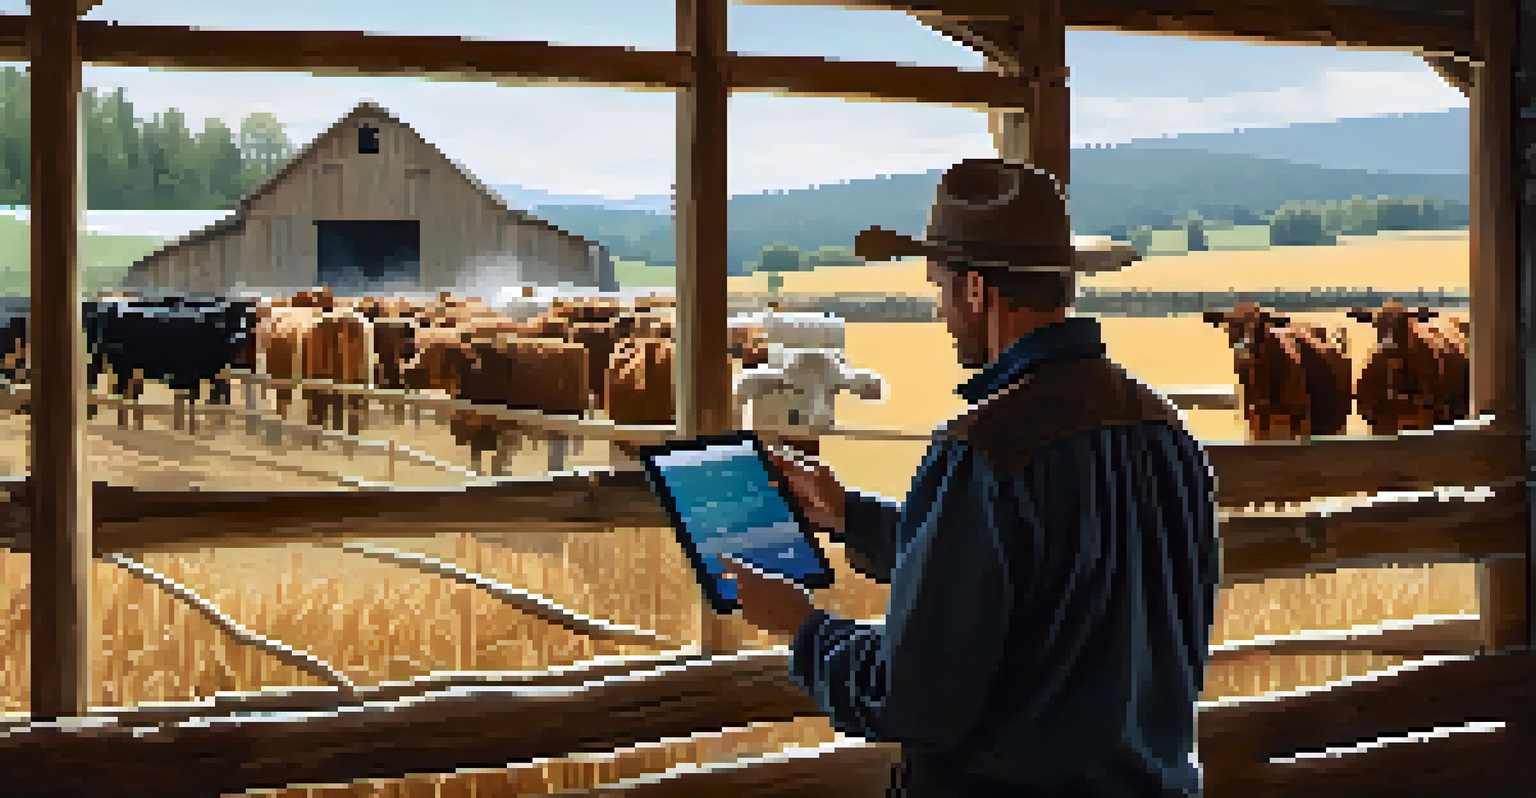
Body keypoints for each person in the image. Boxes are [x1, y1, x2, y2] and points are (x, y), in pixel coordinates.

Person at [719, 158, 1221, 797]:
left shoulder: (983, 450)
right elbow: (1040, 575)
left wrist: (804, 626)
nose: (939, 310)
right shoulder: (1168, 433)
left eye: (940, 287)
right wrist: (851, 516)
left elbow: (912, 699)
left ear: (977, 290)